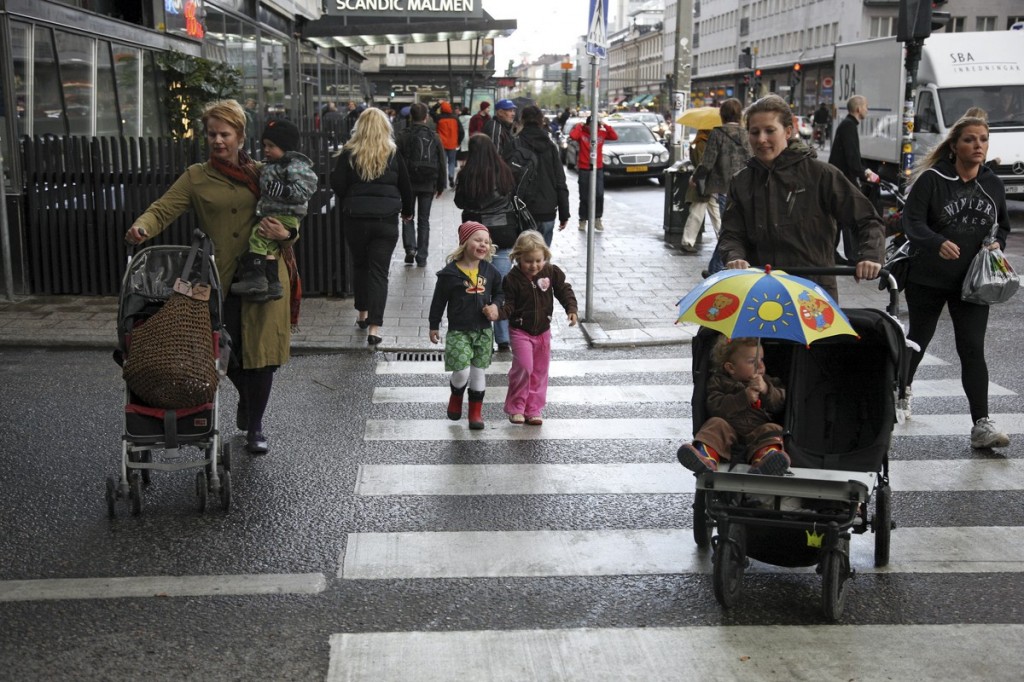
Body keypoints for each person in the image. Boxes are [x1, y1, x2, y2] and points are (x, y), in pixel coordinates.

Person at [124, 99, 291, 455]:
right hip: (218, 279)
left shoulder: (266, 174)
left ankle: (256, 426)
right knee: (223, 350)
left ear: (240, 136)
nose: (218, 141)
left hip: (265, 274)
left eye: (225, 134)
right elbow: (163, 208)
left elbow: (292, 214)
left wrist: (286, 234)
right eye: (212, 134)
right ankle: (248, 400)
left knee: (262, 356)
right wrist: (142, 227)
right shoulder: (196, 176)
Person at [899, 114, 1012, 449]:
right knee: (918, 338)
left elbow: (1002, 225)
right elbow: (912, 222)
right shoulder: (933, 180)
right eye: (970, 139)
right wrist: (936, 242)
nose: (978, 145)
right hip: (927, 277)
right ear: (954, 146)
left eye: (983, 139)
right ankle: (900, 392)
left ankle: (981, 424)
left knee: (972, 349)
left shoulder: (992, 183)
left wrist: (996, 244)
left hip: (973, 282)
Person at [717, 94, 885, 301]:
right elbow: (731, 233)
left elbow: (868, 219)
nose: (761, 139)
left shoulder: (820, 174)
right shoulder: (741, 181)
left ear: (787, 132)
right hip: (762, 292)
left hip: (812, 292)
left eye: (770, 131)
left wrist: (870, 256)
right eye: (754, 132)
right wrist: (735, 257)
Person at [329, 107, 414, 346]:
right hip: (385, 220)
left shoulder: (349, 152)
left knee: (360, 266)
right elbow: (406, 186)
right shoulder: (393, 152)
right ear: (385, 127)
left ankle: (362, 314)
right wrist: (407, 212)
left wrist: (351, 198)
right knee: (379, 272)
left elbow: (338, 183)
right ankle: (375, 328)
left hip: (356, 218)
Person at [676, 336, 790, 475]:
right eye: (752, 362)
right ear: (731, 368)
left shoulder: (767, 382)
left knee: (773, 429)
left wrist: (766, 390)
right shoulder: (719, 382)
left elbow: (779, 403)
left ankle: (765, 459)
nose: (760, 366)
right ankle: (706, 458)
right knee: (715, 424)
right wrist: (743, 398)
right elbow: (715, 407)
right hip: (729, 431)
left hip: (757, 431)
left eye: (761, 360)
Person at [231, 119, 317, 301]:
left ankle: (257, 278)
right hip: (276, 212)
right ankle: (273, 284)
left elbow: (306, 189)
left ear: (286, 148)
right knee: (268, 246)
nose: (266, 150)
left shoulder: (294, 165)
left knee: (257, 236)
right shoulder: (272, 165)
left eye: (271, 146)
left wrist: (285, 190)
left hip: (285, 214)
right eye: (264, 145)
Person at [428, 221, 503, 430]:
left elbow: (500, 291)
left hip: (484, 331)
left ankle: (475, 414)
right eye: (477, 240)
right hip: (459, 331)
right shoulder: (449, 274)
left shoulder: (490, 271)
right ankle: (456, 393)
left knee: (478, 371)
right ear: (464, 243)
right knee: (461, 371)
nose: (483, 245)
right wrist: (434, 324)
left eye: (486, 242)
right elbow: (438, 301)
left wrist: (496, 306)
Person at [498, 230, 578, 425]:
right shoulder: (512, 279)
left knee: (540, 371)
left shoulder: (550, 272)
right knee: (525, 367)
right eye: (528, 261)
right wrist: (498, 313)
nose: (534, 266)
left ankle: (533, 408)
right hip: (520, 331)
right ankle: (516, 406)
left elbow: (563, 289)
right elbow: (508, 304)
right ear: (518, 257)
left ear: (545, 257)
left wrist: (571, 308)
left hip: (543, 330)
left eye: (538, 260)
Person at [455, 134, 518, 353]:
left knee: (476, 287)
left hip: (475, 233)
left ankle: (482, 338)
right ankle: (503, 337)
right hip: (503, 233)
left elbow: (458, 202)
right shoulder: (504, 171)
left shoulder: (467, 174)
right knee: (500, 287)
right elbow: (512, 195)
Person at [692, 98, 751, 274]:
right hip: (746, 187)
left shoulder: (717, 134)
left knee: (727, 230)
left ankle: (716, 270)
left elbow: (707, 161)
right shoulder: (747, 134)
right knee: (735, 229)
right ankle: (715, 268)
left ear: (722, 115)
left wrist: (696, 177)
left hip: (725, 188)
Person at [396, 102, 446, 267]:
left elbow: (397, 161)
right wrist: (441, 185)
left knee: (407, 216)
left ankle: (410, 248)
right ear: (426, 117)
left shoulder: (403, 135)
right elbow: (441, 161)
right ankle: (422, 256)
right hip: (427, 183)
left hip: (407, 184)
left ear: (411, 116)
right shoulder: (434, 136)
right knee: (424, 220)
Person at [517, 105, 570, 246]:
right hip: (547, 210)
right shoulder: (551, 146)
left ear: (522, 120)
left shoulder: (515, 144)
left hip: (522, 211)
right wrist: (564, 213)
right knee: (542, 258)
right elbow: (560, 180)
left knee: (525, 259)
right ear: (541, 121)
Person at [569, 115, 618, 232]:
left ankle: (597, 218)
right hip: (584, 168)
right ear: (587, 125)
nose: (593, 128)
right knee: (584, 196)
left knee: (599, 194)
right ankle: (583, 219)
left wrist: (605, 124)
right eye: (591, 125)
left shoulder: (601, 133)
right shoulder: (582, 133)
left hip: (598, 168)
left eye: (596, 125)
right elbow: (573, 136)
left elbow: (614, 136)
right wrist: (579, 126)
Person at [680, 127, 719, 253]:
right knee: (698, 214)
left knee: (715, 214)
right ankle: (687, 241)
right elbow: (704, 164)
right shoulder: (702, 144)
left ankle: (723, 240)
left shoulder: (705, 143)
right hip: (703, 185)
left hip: (708, 184)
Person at [431, 100, 464, 188]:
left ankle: (442, 180)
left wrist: (438, 103)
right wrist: (459, 141)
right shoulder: (455, 118)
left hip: (441, 144)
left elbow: (431, 112)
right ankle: (451, 176)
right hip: (452, 143)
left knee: (443, 162)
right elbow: (461, 131)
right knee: (452, 162)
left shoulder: (439, 118)